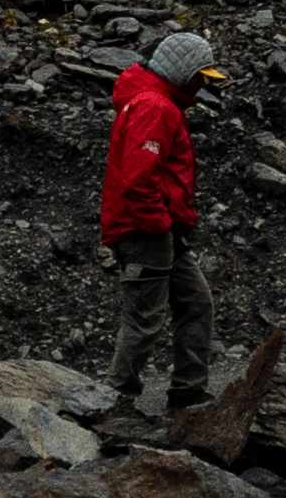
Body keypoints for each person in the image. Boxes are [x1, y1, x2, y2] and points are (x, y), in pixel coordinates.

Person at [99, 31, 221, 415]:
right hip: (146, 231)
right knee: (144, 317)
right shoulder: (155, 107)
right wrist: (158, 225)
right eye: (201, 75)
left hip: (161, 230)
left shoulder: (158, 103)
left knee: (195, 301)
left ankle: (188, 391)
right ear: (183, 71)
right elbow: (138, 180)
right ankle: (116, 401)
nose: (204, 85)